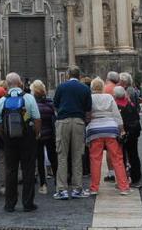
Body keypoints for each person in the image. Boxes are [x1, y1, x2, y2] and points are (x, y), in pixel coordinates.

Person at [0, 73, 41, 212]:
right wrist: (36, 134)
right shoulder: (29, 98)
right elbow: (37, 119)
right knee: (28, 170)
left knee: (10, 171)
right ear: (20, 83)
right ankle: (28, 203)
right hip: (27, 139)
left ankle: (10, 204)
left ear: (7, 85)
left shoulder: (2, 100)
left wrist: (5, 137)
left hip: (10, 140)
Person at [51, 66, 92, 200]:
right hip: (79, 122)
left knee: (62, 155)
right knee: (77, 156)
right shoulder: (85, 88)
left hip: (63, 121)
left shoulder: (61, 87)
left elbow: (55, 105)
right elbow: (88, 110)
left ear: (68, 75)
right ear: (79, 75)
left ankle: (62, 190)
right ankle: (77, 189)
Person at [86, 78, 130, 196]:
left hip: (95, 130)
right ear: (102, 87)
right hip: (111, 128)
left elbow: (87, 115)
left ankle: (94, 188)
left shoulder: (89, 98)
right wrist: (121, 130)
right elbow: (117, 115)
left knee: (95, 160)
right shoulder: (109, 97)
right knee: (117, 159)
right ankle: (123, 187)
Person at [32, 80, 57, 195]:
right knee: (53, 158)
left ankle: (43, 184)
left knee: (40, 160)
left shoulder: (33, 105)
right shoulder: (50, 103)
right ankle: (58, 182)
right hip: (50, 134)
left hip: (38, 135)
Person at [115, 85, 142, 188]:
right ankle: (136, 179)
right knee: (134, 156)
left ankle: (123, 180)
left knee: (121, 157)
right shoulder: (131, 103)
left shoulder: (116, 106)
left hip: (123, 134)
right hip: (133, 133)